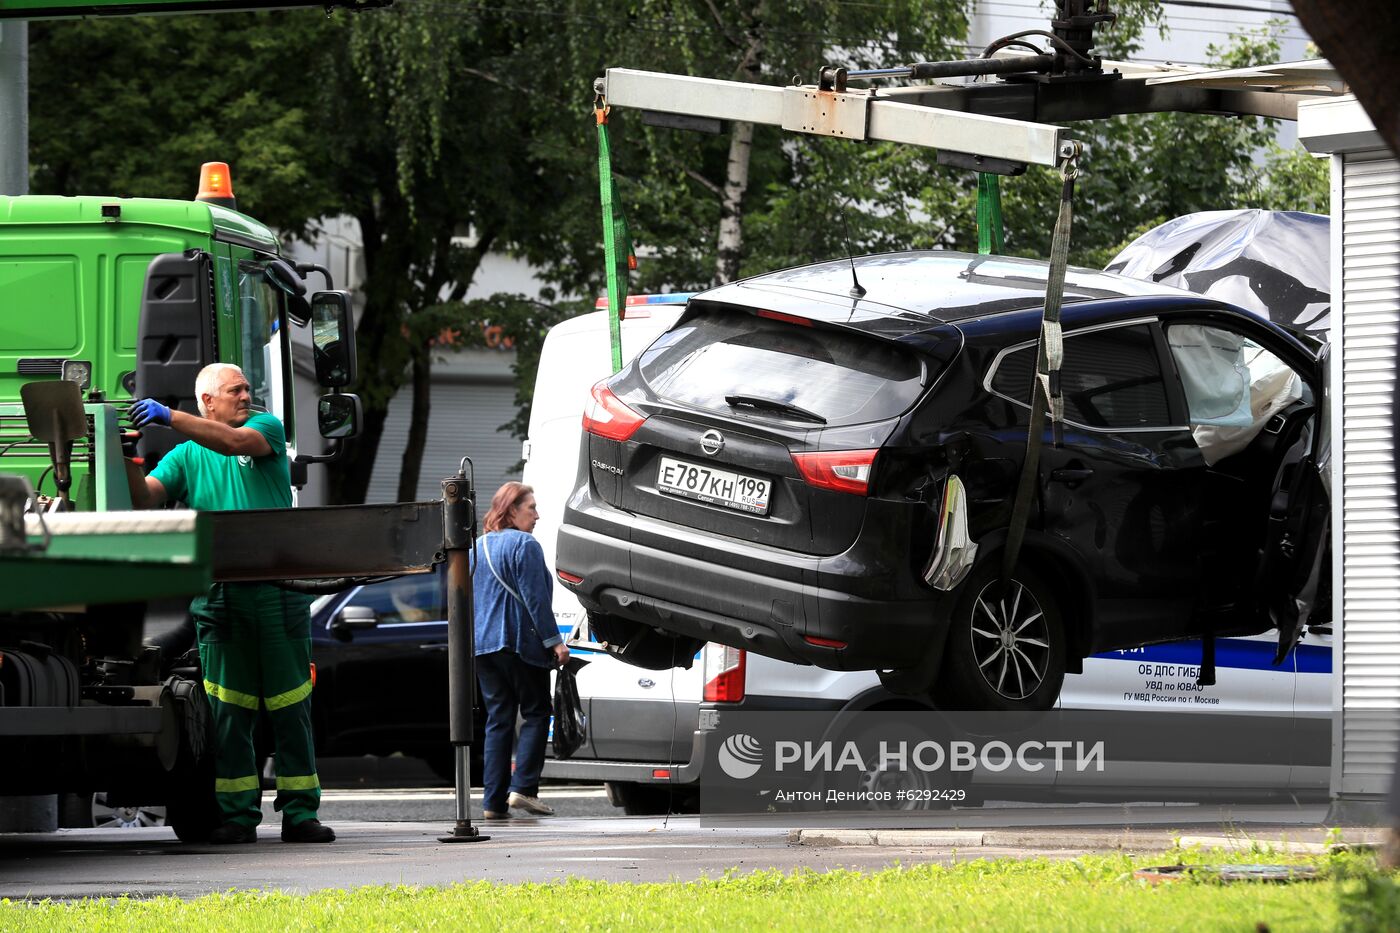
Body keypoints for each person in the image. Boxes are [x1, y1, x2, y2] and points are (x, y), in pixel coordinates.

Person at [125, 363, 334, 845]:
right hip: (220, 598)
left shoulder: (264, 427)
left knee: (291, 707)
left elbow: (234, 444)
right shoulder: (185, 456)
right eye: (234, 390)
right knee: (229, 713)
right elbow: (146, 498)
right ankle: (238, 817)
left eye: (245, 387)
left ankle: (300, 814)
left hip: (278, 592)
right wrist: (127, 457)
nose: (245, 395)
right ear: (208, 403)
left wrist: (168, 416)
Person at [474, 482, 569, 820]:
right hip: (516, 642)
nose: (537, 514)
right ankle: (524, 788)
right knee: (537, 712)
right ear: (511, 511)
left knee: (498, 721)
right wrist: (555, 641)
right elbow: (535, 599)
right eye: (531, 507)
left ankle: (492, 802)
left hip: (482, 648)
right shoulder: (525, 544)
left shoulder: (476, 548)